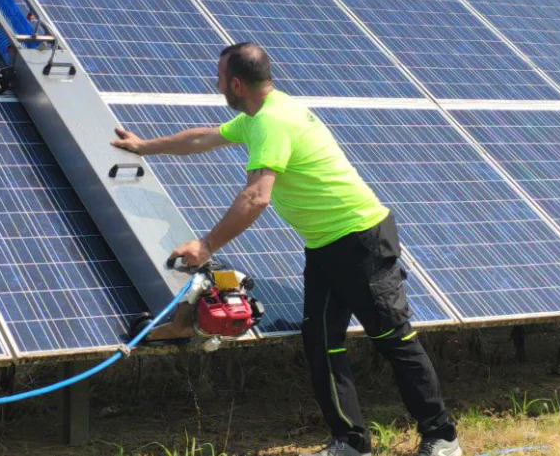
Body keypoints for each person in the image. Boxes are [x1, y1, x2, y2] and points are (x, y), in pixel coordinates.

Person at [111, 42, 460, 456]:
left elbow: (257, 196)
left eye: (220, 77)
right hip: (325, 246)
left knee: (393, 338)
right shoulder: (262, 113)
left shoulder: (272, 122)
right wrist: (145, 145)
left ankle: (442, 437)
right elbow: (204, 138)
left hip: (361, 240)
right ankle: (350, 442)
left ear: (236, 84)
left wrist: (206, 245)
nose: (215, 83)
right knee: (321, 343)